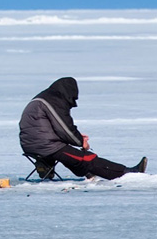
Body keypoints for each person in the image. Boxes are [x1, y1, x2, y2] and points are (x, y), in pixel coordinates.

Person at [19, 77, 147, 180]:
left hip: (32, 144)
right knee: (86, 158)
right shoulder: (53, 101)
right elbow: (65, 129)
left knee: (71, 156)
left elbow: (52, 128)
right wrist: (80, 141)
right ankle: (127, 173)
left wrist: (78, 138)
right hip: (45, 146)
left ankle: (47, 165)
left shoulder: (43, 98)